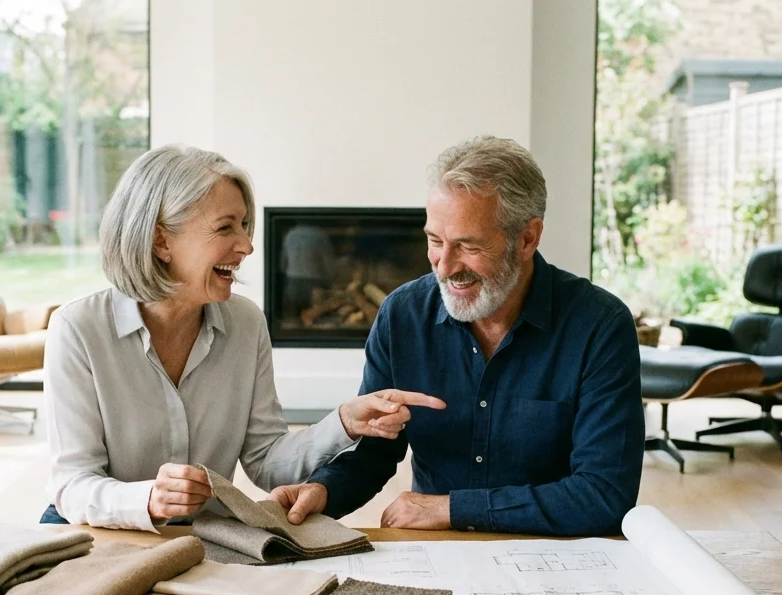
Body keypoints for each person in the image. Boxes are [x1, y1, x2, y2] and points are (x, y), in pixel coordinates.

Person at [41, 144, 444, 530]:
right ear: (162, 240)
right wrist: (146, 499)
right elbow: (71, 485)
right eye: (225, 228)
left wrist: (344, 422)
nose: (248, 246)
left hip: (203, 540)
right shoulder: (78, 330)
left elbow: (267, 461)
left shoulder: (246, 323)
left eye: (245, 225)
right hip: (100, 535)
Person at [268, 136, 644, 536]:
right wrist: (323, 490)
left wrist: (455, 508)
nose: (444, 266)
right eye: (434, 241)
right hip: (437, 550)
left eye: (468, 245)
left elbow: (605, 494)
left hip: (554, 551)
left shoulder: (600, 326)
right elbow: (376, 450)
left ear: (527, 239)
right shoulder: (402, 316)